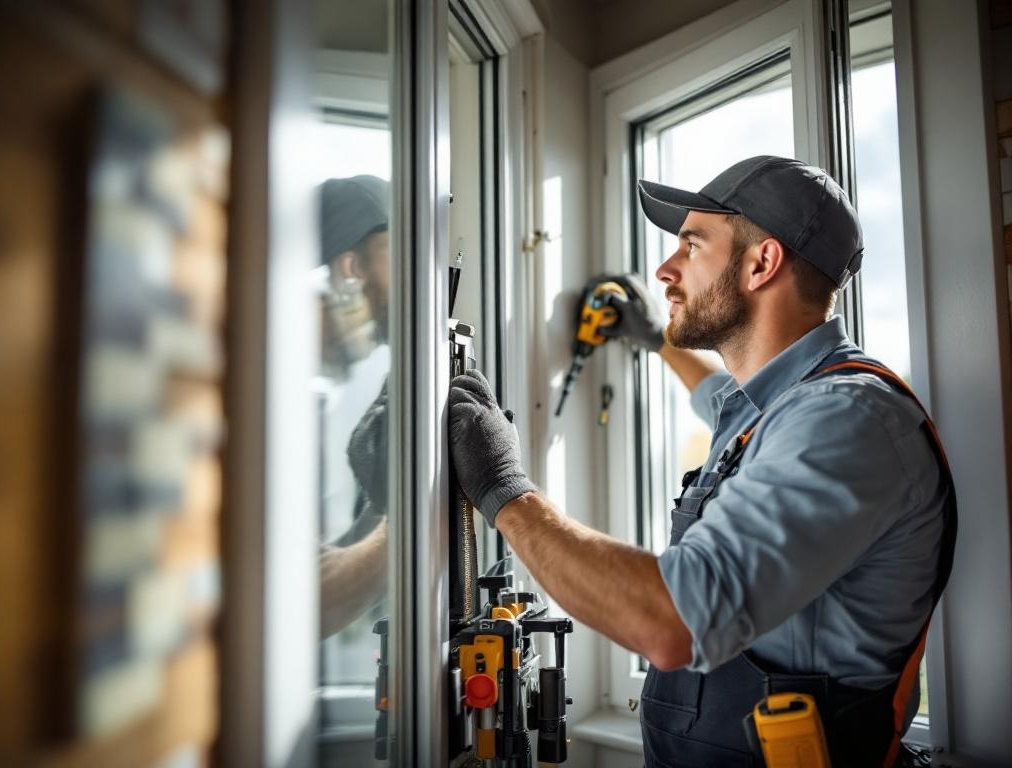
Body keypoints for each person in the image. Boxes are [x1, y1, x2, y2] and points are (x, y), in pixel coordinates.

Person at [448, 156, 956, 766]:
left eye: (691, 244)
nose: (665, 268)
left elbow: (672, 623)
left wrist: (503, 488)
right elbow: (714, 395)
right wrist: (652, 338)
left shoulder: (845, 421)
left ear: (761, 263)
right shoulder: (767, 404)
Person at [317, 175, 391, 637]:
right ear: (351, 268)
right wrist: (415, 514)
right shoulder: (267, 401)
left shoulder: (335, 391)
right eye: (398, 252)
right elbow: (307, 603)